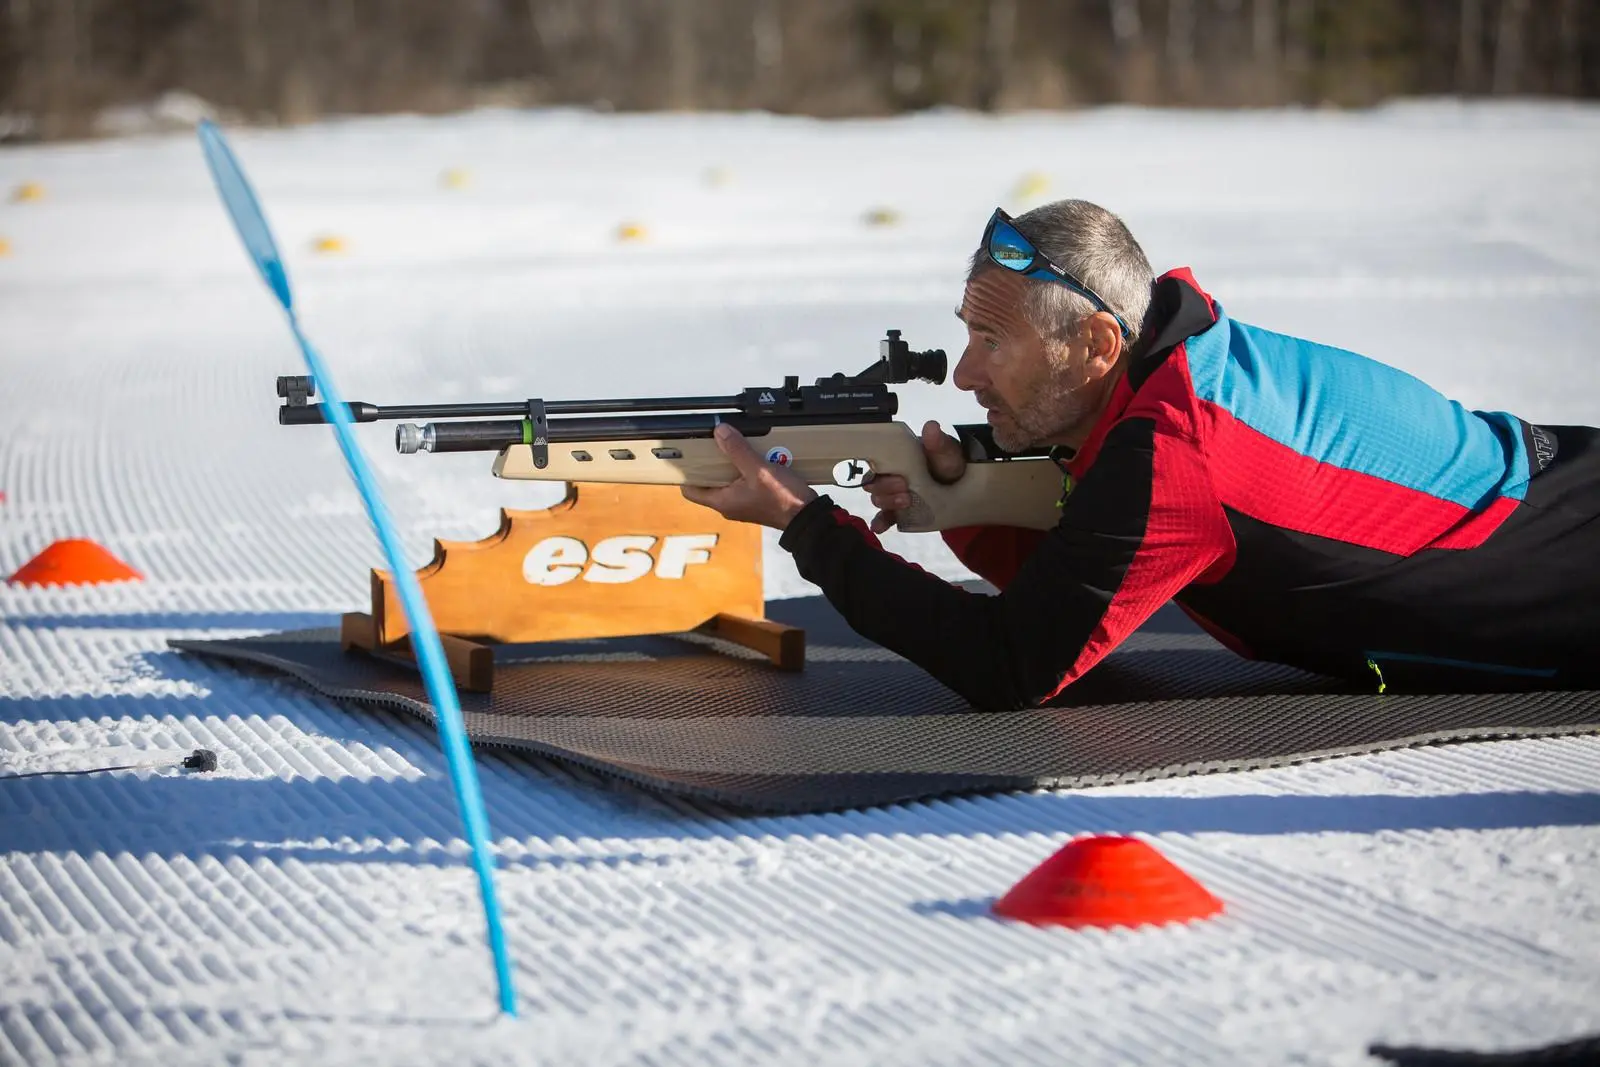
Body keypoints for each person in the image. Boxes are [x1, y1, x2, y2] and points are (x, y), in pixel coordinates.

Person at [683, 199, 1600, 710]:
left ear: (1095, 345)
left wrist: (808, 528)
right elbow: (1090, 586)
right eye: (967, 333)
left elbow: (1011, 665)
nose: (963, 373)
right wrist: (967, 510)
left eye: (993, 342)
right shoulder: (1178, 368)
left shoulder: (1174, 446)